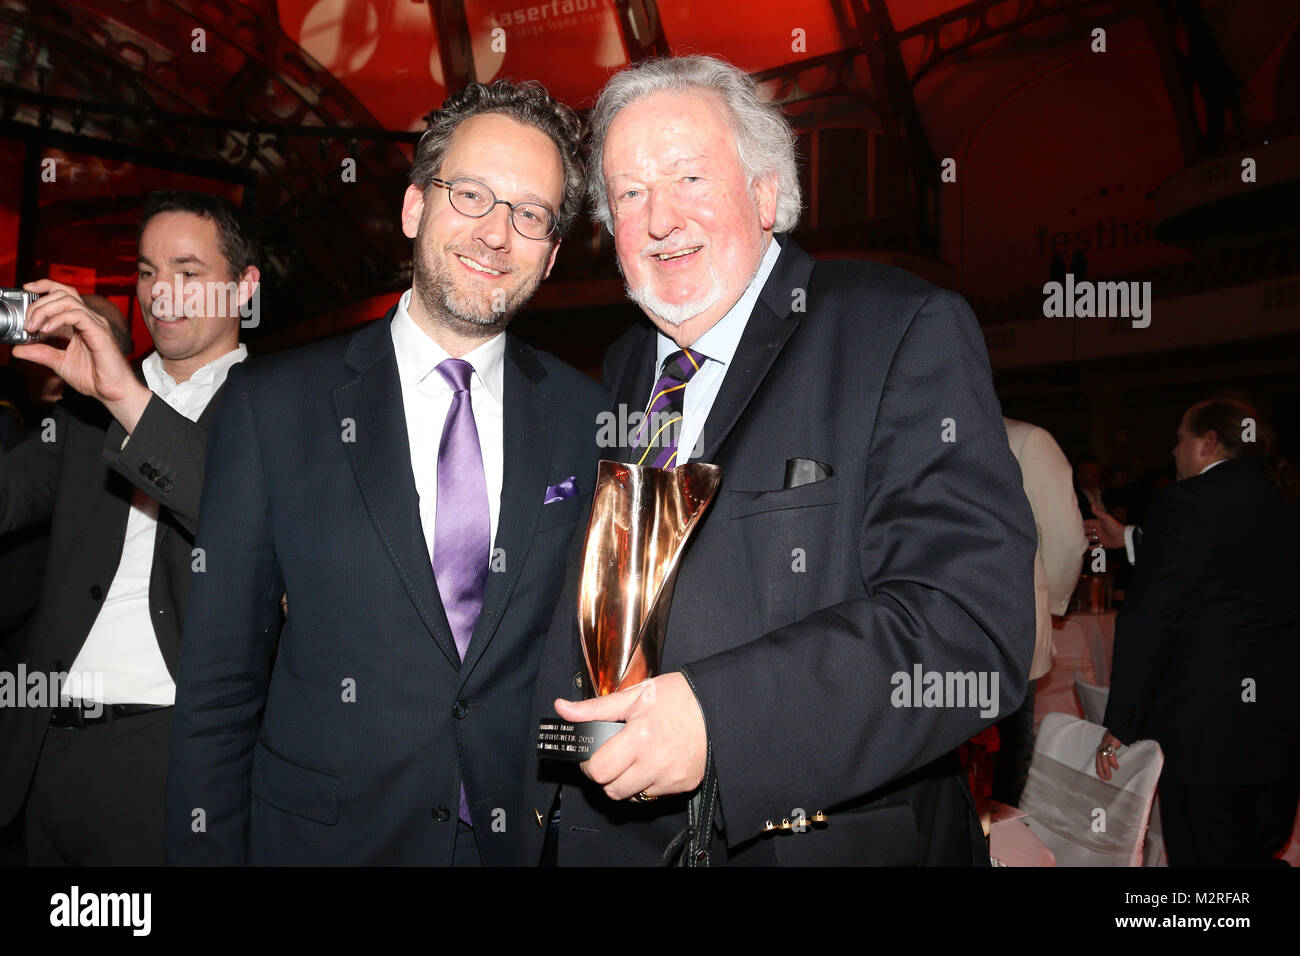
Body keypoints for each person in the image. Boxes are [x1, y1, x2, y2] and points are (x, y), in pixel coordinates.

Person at [522, 55, 1037, 866]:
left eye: (690, 177)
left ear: (766, 193)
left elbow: (968, 626)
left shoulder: (896, 330)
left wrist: (718, 721)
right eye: (628, 193)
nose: (659, 219)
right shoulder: (626, 368)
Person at [164, 79, 606, 867]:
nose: (497, 234)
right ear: (413, 210)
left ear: (552, 250)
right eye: (470, 194)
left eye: (530, 214)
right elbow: (218, 691)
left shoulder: (589, 418)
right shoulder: (272, 405)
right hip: (324, 843)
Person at [0, 189, 260, 865]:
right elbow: (11, 495)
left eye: (188, 272)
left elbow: (241, 523)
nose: (161, 293)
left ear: (244, 286)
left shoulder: (280, 409)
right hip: (44, 752)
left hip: (168, 759)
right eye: (147, 272)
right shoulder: (87, 409)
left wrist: (122, 396)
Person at [1091, 399, 1300, 866]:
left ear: (1207, 443)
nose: (1173, 450)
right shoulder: (1283, 495)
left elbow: (1149, 622)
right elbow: (1228, 560)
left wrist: (1121, 723)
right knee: (1257, 852)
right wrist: (1127, 538)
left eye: (1180, 438)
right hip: (1279, 728)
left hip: (1210, 735)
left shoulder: (1186, 504)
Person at [994, 418, 1086, 805]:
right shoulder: (1024, 438)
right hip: (1008, 628)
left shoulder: (1025, 440)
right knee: (1003, 762)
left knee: (994, 760)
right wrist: (1050, 604)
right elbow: (1065, 542)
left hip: (992, 632)